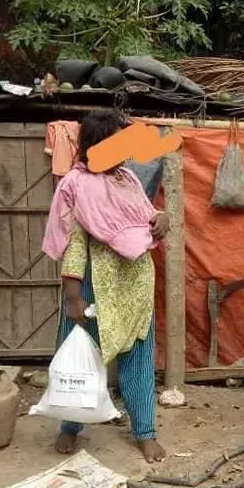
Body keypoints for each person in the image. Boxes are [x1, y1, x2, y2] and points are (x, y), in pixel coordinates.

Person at [42, 111, 169, 463]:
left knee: (139, 357)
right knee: (78, 356)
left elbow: (145, 217)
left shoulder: (126, 179)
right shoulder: (77, 186)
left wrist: (163, 218)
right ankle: (70, 425)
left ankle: (144, 431)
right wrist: (72, 297)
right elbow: (74, 243)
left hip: (136, 282)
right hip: (94, 285)